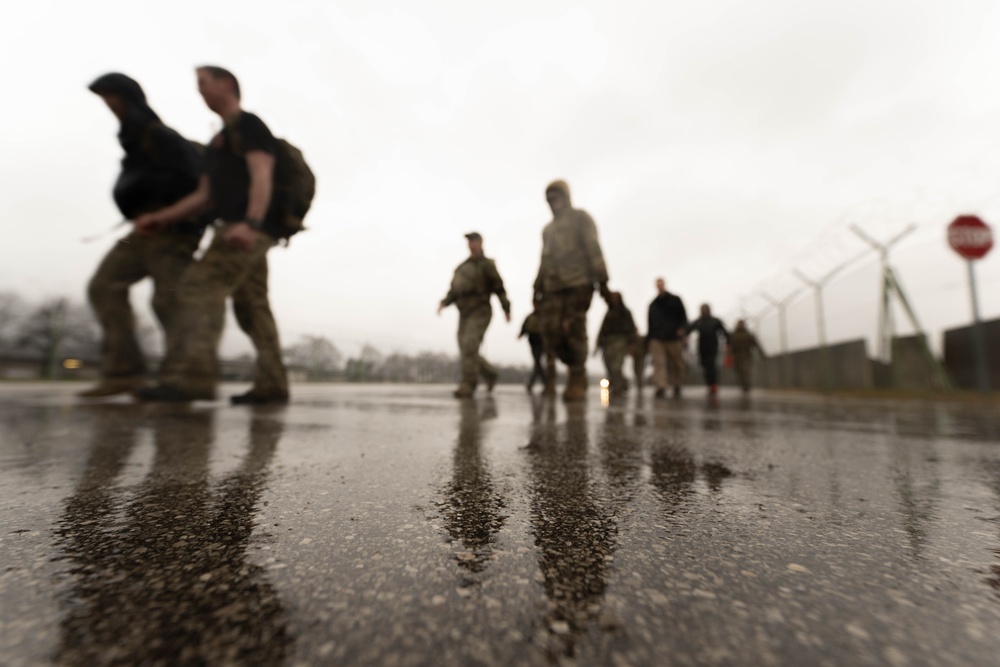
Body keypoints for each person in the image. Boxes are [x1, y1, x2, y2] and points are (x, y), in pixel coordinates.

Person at [134, 66, 290, 404]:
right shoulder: (219, 142)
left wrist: (251, 222)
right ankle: (273, 384)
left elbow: (262, 174)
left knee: (199, 287)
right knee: (253, 307)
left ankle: (193, 379)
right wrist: (160, 218)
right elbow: (204, 196)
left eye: (203, 83)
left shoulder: (248, 125)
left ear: (227, 84)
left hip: (243, 228)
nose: (199, 91)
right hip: (241, 226)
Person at [80, 73, 205, 398]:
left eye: (113, 96)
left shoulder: (159, 135)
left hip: (172, 229)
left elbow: (198, 182)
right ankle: (123, 373)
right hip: (142, 228)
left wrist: (171, 215)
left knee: (169, 299)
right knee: (104, 286)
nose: (109, 104)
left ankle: (183, 378)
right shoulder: (131, 139)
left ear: (129, 97)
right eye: (104, 98)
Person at [533, 180, 610, 401]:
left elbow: (593, 248)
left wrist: (602, 281)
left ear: (566, 196)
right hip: (552, 289)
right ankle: (571, 367)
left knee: (575, 330)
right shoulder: (547, 230)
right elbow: (544, 261)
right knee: (551, 333)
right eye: (549, 199)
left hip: (579, 284)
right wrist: (536, 288)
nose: (552, 202)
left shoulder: (581, 218)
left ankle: (577, 378)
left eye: (556, 197)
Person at [438, 232, 511, 398]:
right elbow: (454, 291)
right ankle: (490, 374)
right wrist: (444, 302)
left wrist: (506, 308)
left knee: (470, 345)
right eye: (469, 241)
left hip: (481, 310)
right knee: (466, 349)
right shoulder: (461, 267)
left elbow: (499, 287)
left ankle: (468, 384)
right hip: (464, 312)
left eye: (474, 240)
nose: (472, 243)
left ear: (481, 242)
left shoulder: (486, 265)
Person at [647, 278, 688, 398]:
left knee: (677, 362)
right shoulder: (653, 304)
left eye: (661, 284)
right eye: (657, 285)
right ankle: (661, 386)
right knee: (659, 363)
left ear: (664, 285)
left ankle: (677, 384)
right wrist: (649, 339)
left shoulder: (675, 300)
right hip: (657, 338)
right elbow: (650, 323)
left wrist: (683, 329)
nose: (660, 286)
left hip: (673, 337)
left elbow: (683, 316)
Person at [594, 292, 637, 394]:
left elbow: (632, 328)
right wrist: (598, 342)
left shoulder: (626, 312)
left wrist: (631, 343)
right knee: (608, 364)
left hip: (620, 341)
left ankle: (618, 388)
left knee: (616, 366)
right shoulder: (609, 313)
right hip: (608, 342)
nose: (614, 300)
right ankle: (619, 384)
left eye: (616, 298)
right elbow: (602, 328)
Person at [687, 304, 730, 396]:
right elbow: (688, 330)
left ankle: (713, 384)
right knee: (705, 366)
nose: (704, 311)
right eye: (703, 310)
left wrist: (728, 343)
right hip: (702, 348)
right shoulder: (698, 322)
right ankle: (710, 384)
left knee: (711, 365)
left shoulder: (715, 321)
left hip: (712, 347)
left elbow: (725, 332)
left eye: (706, 309)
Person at [730, 319, 766, 393]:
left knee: (746, 371)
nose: (741, 325)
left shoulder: (748, 334)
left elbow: (756, 344)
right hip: (737, 356)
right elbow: (730, 345)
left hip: (747, 355)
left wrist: (762, 354)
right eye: (740, 324)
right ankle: (743, 385)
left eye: (742, 324)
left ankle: (746, 386)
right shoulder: (733, 335)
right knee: (739, 372)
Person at [518, 301, 545, 393]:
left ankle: (533, 383)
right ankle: (543, 383)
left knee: (537, 362)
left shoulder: (544, 316)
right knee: (537, 363)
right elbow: (525, 326)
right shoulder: (530, 317)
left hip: (542, 341)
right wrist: (521, 334)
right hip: (533, 341)